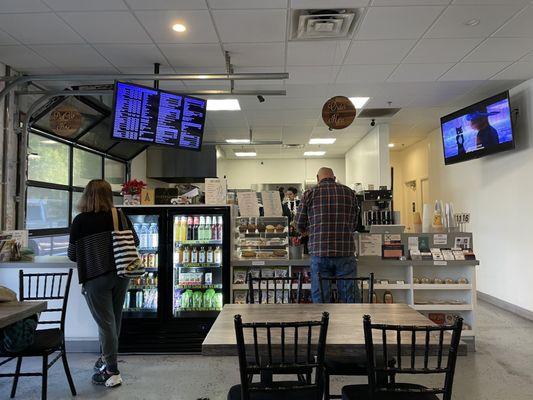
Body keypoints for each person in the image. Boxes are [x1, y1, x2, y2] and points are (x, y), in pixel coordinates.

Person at [68, 179, 138, 387]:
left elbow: (72, 255)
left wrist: (92, 253)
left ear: (86, 195)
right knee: (114, 321)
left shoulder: (80, 221)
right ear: (109, 195)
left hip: (95, 279)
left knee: (105, 323)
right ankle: (107, 358)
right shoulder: (119, 215)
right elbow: (135, 242)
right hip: (120, 275)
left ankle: (111, 370)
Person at [295, 167, 359, 303]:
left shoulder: (309, 194)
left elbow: (299, 224)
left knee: (321, 297)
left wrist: (309, 231)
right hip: (345, 252)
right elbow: (354, 225)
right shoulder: (349, 193)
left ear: (318, 179)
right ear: (334, 178)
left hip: (319, 253)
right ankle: (351, 323)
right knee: (349, 297)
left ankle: (324, 323)